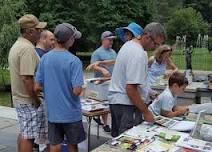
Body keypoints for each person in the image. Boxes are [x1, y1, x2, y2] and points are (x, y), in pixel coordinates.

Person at [108, 22, 166, 137]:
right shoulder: (138, 53)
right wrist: (146, 112)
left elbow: (135, 79)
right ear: (147, 37)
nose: (155, 48)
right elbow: (131, 89)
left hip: (118, 103)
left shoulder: (129, 45)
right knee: (127, 143)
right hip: (126, 105)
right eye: (156, 44)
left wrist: (149, 92)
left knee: (118, 141)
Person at [34, 23, 85, 152]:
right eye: (73, 38)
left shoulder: (45, 58)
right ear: (69, 40)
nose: (74, 40)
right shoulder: (74, 61)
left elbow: (37, 86)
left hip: (53, 113)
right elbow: (76, 90)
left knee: (54, 145)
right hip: (71, 114)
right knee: (72, 145)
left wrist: (52, 88)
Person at [8, 14, 47, 152]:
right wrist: (35, 100)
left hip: (21, 98)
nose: (40, 32)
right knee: (29, 137)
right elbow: (27, 79)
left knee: (25, 132)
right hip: (28, 99)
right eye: (38, 30)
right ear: (30, 31)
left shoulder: (18, 45)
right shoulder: (27, 49)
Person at [88, 31, 116, 132]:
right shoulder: (97, 52)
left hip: (112, 81)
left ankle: (102, 119)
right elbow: (93, 66)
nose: (111, 41)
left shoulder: (113, 52)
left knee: (110, 102)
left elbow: (115, 63)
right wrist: (102, 70)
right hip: (101, 83)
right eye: (109, 39)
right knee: (103, 102)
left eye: (112, 39)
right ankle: (105, 124)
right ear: (103, 40)